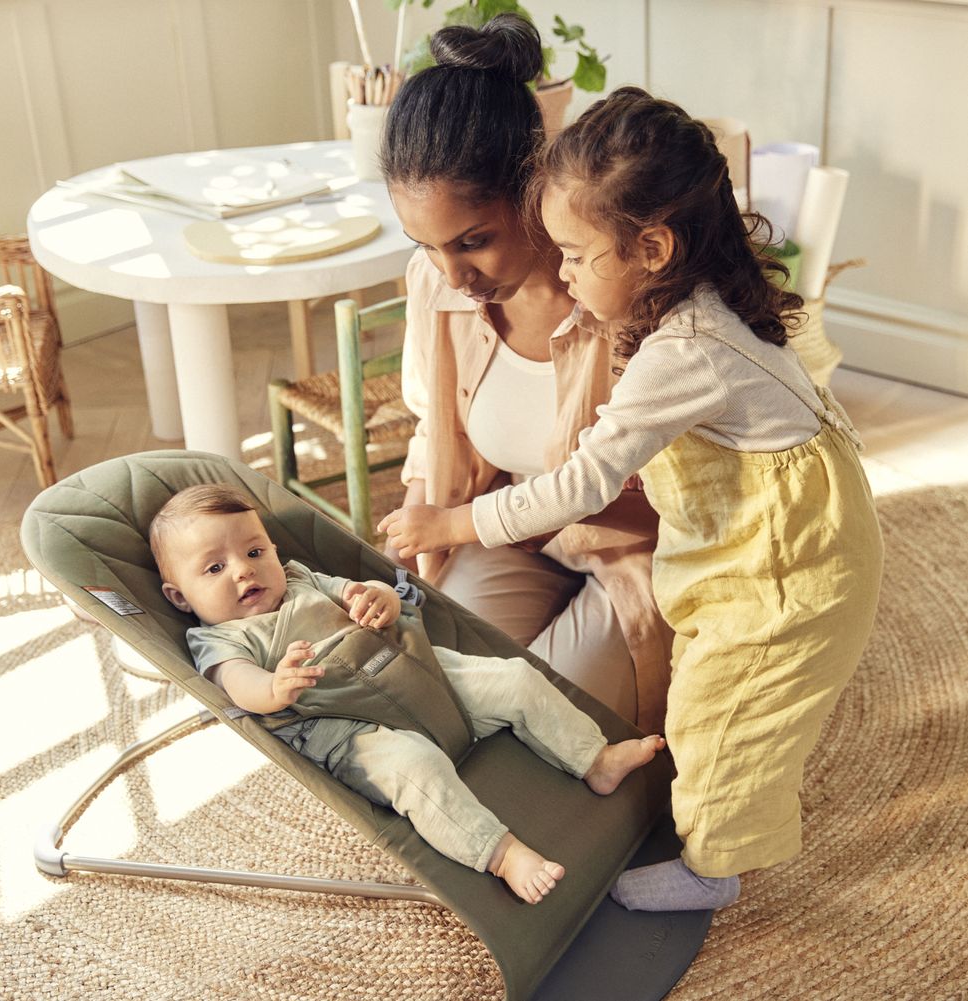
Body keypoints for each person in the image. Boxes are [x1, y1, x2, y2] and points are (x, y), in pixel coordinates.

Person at [379, 87, 884, 912]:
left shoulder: (668, 344)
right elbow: (438, 428)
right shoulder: (675, 301)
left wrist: (453, 522)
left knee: (717, 711)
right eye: (426, 247)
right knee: (456, 671)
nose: (563, 272)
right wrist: (428, 527)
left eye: (571, 255)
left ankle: (711, 864)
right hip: (727, 540)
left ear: (649, 248)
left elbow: (582, 483)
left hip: (772, 559)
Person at [148, 483, 665, 905]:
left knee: (514, 678)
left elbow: (360, 592)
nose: (243, 569)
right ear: (179, 596)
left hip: (412, 670)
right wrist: (274, 687)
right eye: (214, 568)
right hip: (351, 726)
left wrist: (379, 601)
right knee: (417, 771)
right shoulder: (217, 639)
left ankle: (592, 758)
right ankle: (501, 853)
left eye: (254, 551)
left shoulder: (300, 579)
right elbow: (237, 684)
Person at [379, 13, 672, 732]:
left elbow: (681, 496)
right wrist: (413, 540)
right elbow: (435, 428)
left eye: (472, 241)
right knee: (445, 694)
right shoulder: (435, 283)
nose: (452, 274)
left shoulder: (626, 295)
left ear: (534, 188)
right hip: (505, 529)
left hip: (638, 549)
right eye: (426, 245)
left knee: (546, 726)